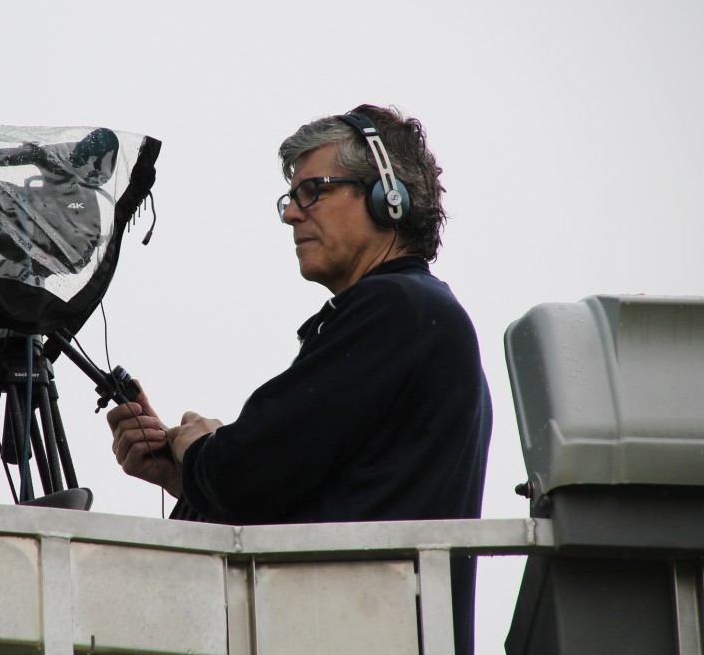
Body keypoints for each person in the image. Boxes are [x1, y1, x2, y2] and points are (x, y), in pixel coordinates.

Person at [105, 104, 491, 655]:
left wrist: (199, 450)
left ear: (389, 196)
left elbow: (249, 471)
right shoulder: (414, 315)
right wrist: (184, 473)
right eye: (291, 197)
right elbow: (291, 490)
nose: (292, 214)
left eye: (314, 191)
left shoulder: (396, 308)